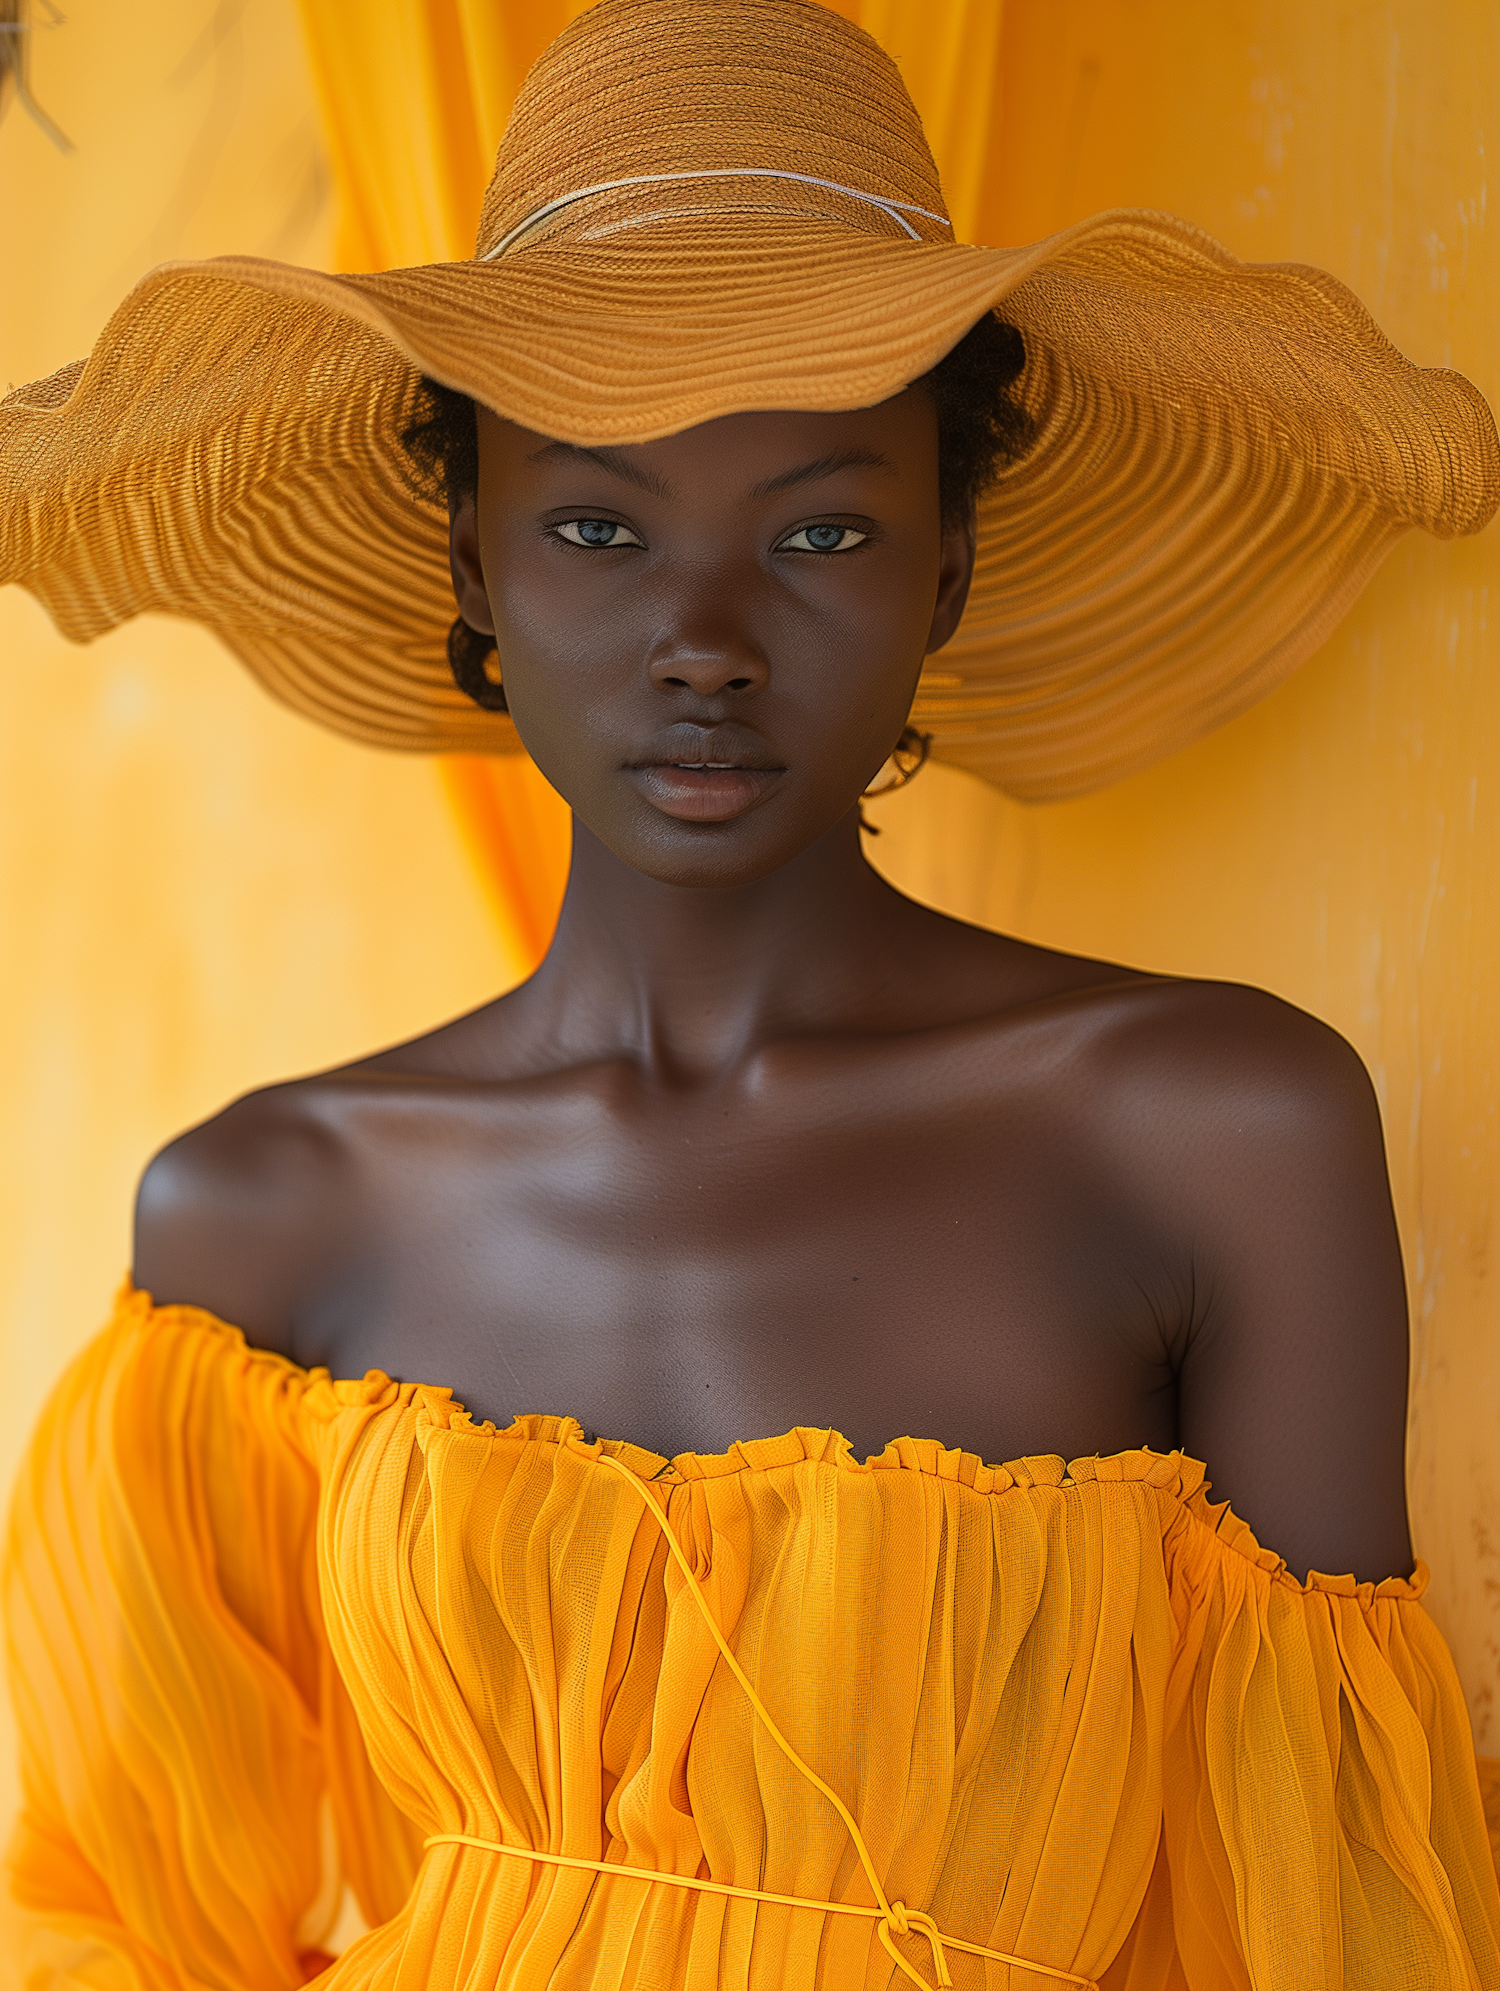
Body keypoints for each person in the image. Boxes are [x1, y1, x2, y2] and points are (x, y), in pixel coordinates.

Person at [3, 1, 1499, 1985]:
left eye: (821, 528)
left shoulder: (1214, 1126)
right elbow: (108, 1907)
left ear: (947, 560)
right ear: (474, 553)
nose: (702, 638)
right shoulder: (264, 1211)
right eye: (600, 524)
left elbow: (1333, 1912)